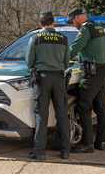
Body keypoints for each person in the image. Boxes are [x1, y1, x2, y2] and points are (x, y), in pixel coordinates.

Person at [26, 11, 71, 160]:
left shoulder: (35, 38)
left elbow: (29, 63)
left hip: (42, 79)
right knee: (62, 115)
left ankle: (39, 152)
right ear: (53, 23)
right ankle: (65, 151)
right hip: (59, 79)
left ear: (40, 24)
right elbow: (66, 63)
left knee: (41, 116)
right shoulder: (63, 40)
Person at [68, 8, 105, 153]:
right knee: (100, 107)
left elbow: (75, 47)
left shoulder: (86, 29)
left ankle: (87, 144)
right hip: (103, 69)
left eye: (73, 21)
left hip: (93, 73)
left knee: (83, 105)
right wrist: (79, 57)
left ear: (78, 17)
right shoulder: (98, 27)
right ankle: (101, 142)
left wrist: (61, 57)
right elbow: (93, 50)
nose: (73, 24)